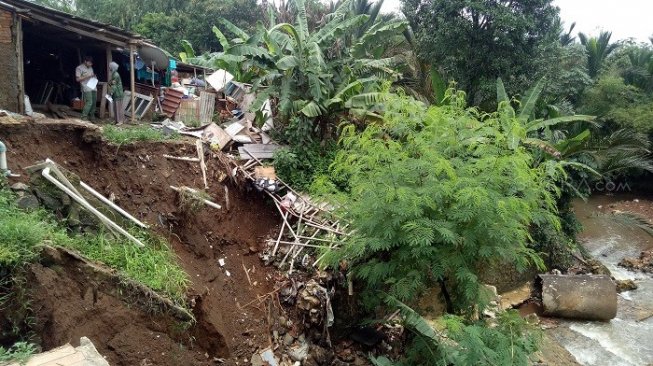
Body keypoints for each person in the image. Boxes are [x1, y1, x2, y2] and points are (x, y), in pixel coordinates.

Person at [75, 55, 97, 121]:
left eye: (91, 63)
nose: (91, 64)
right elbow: (77, 79)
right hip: (86, 87)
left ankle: (92, 117)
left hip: (93, 85)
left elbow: (92, 75)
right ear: (85, 61)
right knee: (89, 102)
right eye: (89, 63)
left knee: (94, 102)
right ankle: (84, 117)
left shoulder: (90, 68)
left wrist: (94, 77)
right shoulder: (79, 68)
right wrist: (88, 76)